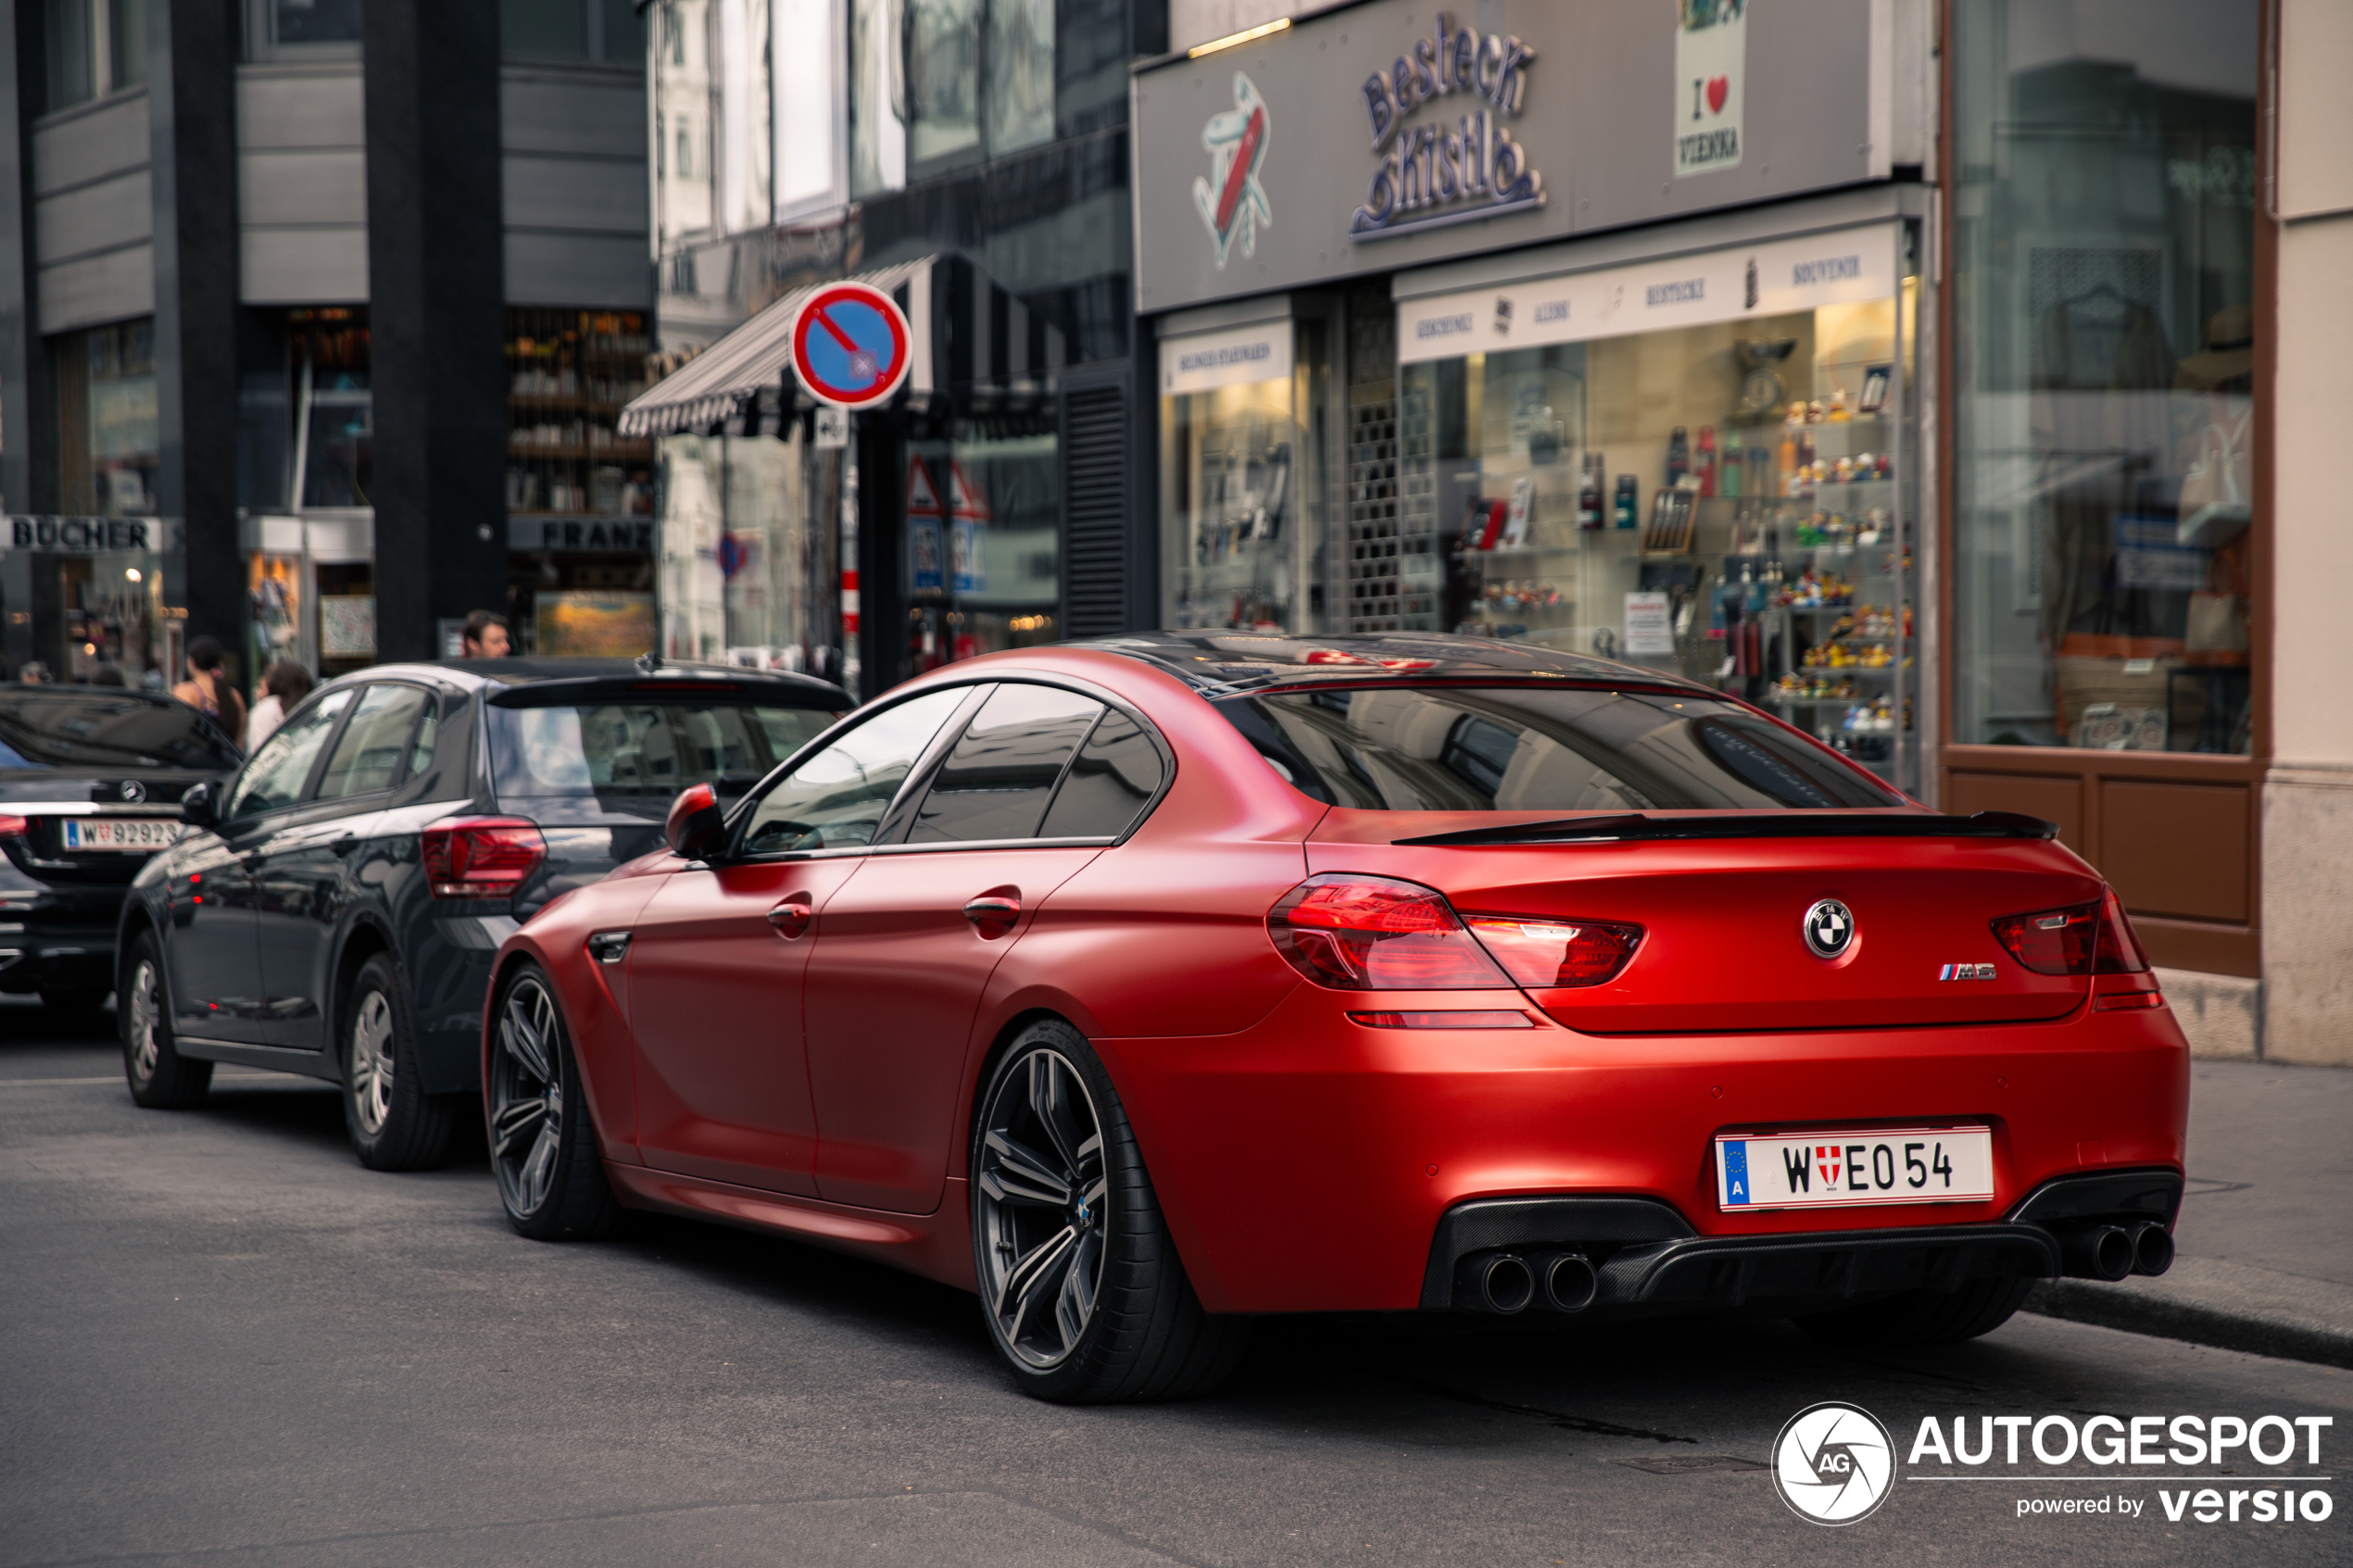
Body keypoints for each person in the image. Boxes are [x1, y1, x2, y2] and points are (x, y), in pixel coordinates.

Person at [171, 636, 247, 744]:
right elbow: (240, 742)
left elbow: (178, 735)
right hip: (231, 760)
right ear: (220, 663)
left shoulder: (186, 691)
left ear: (191, 662)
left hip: (198, 760)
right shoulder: (234, 695)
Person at [245, 660, 314, 750]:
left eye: (261, 687)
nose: (256, 693)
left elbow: (261, 755)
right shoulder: (309, 710)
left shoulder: (264, 712)